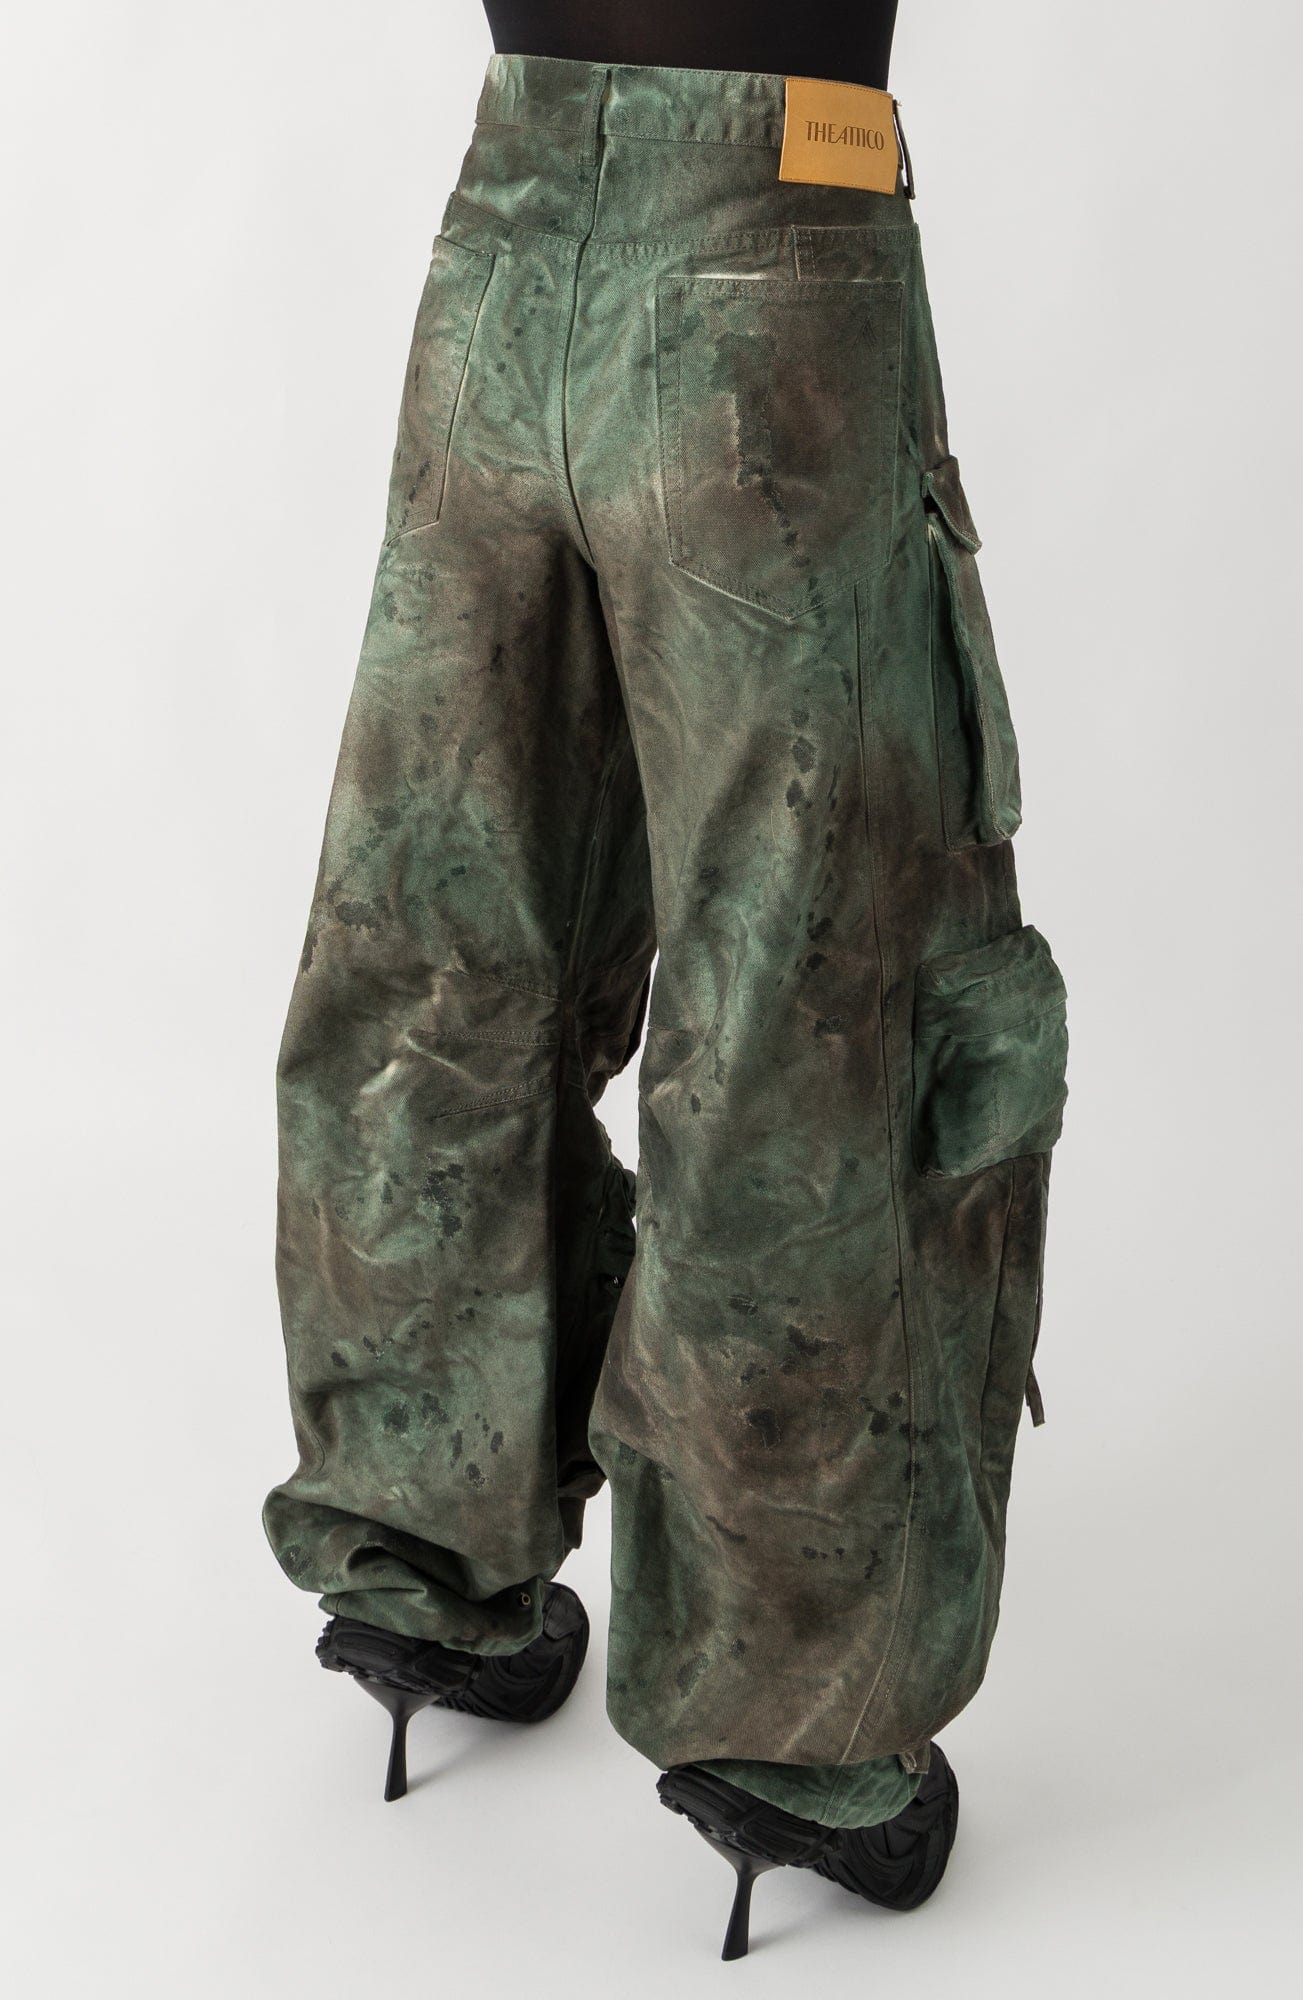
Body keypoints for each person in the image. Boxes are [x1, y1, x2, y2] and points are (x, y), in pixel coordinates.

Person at [263, 2, 1070, 1959]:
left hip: (500, 239)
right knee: (808, 997)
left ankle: (421, 1559)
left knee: (445, 936)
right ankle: (791, 1726)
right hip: (774, 259)